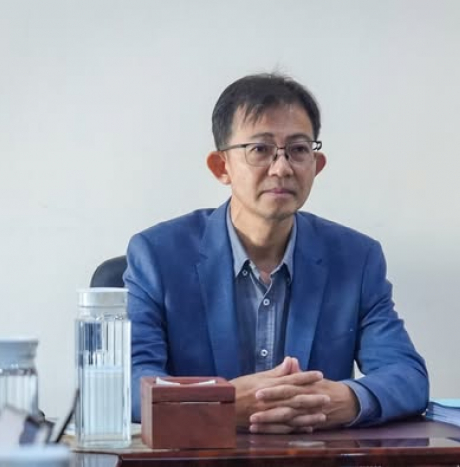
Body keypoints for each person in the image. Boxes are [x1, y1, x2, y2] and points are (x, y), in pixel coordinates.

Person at [124, 73, 429, 433]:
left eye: (298, 150)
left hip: (313, 455)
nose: (282, 168)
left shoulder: (355, 258)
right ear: (221, 167)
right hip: (201, 455)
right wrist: (223, 404)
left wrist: (344, 400)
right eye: (260, 149)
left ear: (316, 165)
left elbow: (407, 375)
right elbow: (130, 382)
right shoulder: (159, 255)